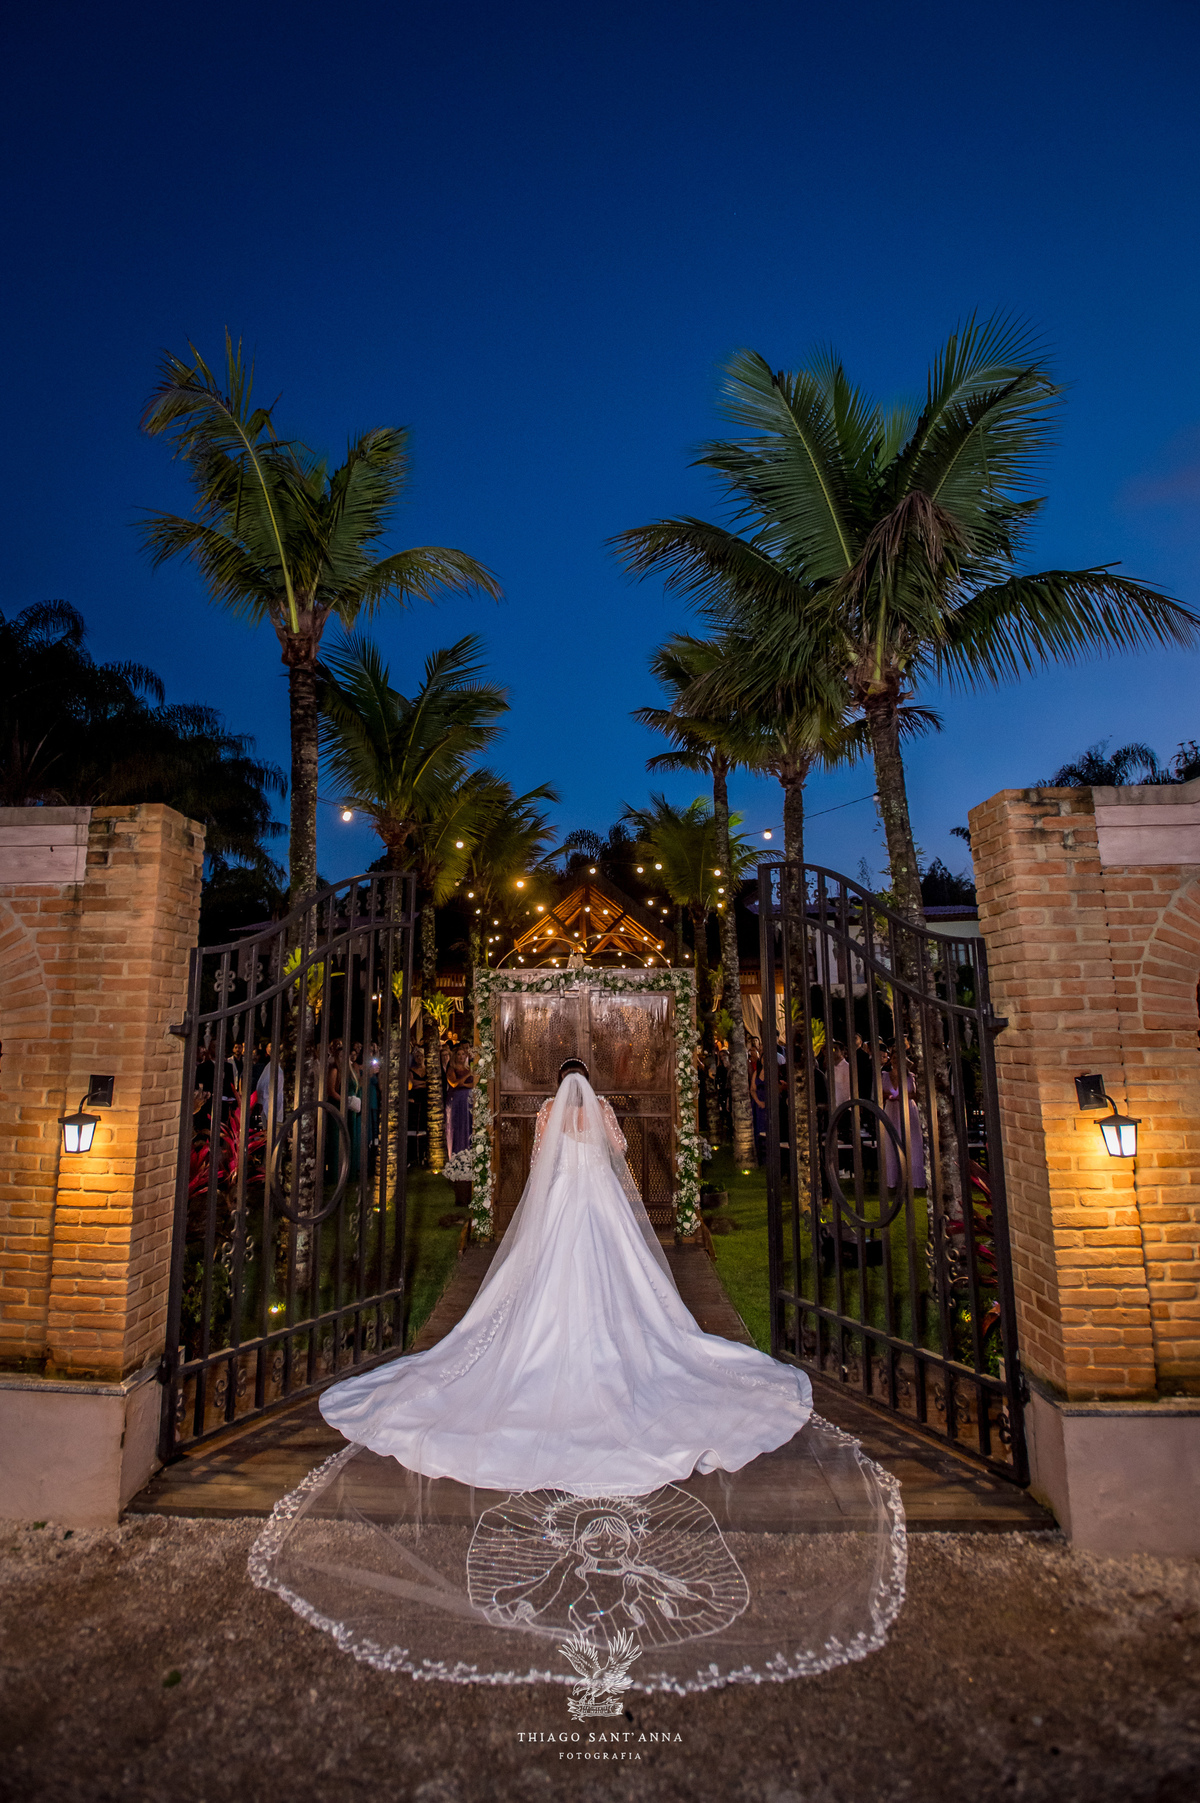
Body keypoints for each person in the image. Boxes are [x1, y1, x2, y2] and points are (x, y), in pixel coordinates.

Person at [318, 1058, 813, 1494]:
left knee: (544, 1269)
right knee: (622, 1269)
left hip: (562, 1197)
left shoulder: (547, 1111)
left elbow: (541, 1161)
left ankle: (546, 1341)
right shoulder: (603, 1109)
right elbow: (619, 1150)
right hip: (600, 1196)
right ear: (587, 1083)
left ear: (559, 1083)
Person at [445, 1042, 475, 1156]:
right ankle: (457, 1150)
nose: (461, 1057)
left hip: (468, 1098)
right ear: (455, 1056)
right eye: (459, 1054)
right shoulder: (452, 1069)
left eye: (463, 1054)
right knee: (458, 1124)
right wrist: (466, 1076)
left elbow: (473, 1083)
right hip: (457, 1099)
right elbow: (454, 1084)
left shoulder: (469, 1068)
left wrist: (465, 1085)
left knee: (468, 1122)